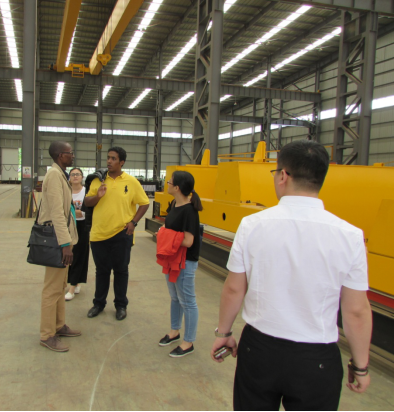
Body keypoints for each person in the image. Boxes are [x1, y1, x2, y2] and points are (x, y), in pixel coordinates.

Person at [210, 140, 373, 411]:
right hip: (316, 359)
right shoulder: (350, 236)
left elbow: (234, 289)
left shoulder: (252, 225)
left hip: (259, 350)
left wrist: (224, 332)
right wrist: (361, 365)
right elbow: (356, 310)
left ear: (283, 176)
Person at [85, 147, 150, 321]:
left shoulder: (131, 182)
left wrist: (133, 222)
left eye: (113, 158)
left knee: (121, 271)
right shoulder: (98, 180)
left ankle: (121, 305)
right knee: (102, 271)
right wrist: (98, 196)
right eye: (108, 158)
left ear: (122, 162)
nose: (109, 161)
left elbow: (144, 203)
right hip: (99, 233)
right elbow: (87, 202)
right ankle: (98, 304)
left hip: (122, 233)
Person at [37, 141, 81, 353]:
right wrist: (65, 244)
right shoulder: (54, 175)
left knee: (60, 286)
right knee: (52, 289)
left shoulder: (61, 174)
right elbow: (56, 212)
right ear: (60, 155)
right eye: (70, 153)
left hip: (64, 239)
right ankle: (47, 335)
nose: (72, 155)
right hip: (57, 240)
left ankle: (58, 325)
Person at [157, 171, 202, 358]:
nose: (167, 183)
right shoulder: (174, 204)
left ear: (177, 187)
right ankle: (174, 331)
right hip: (172, 258)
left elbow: (189, 241)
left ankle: (188, 342)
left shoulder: (190, 211)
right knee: (175, 297)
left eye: (169, 182)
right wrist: (164, 231)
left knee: (188, 302)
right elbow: (170, 228)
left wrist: (163, 235)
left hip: (185, 261)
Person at [66, 168, 90, 301]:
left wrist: (79, 213)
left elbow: (89, 211)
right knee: (68, 254)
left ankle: (72, 288)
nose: (75, 176)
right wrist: (76, 213)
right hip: (68, 226)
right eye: (73, 174)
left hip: (82, 226)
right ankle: (75, 283)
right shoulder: (66, 190)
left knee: (80, 256)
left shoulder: (87, 191)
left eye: (78, 174)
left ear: (82, 177)